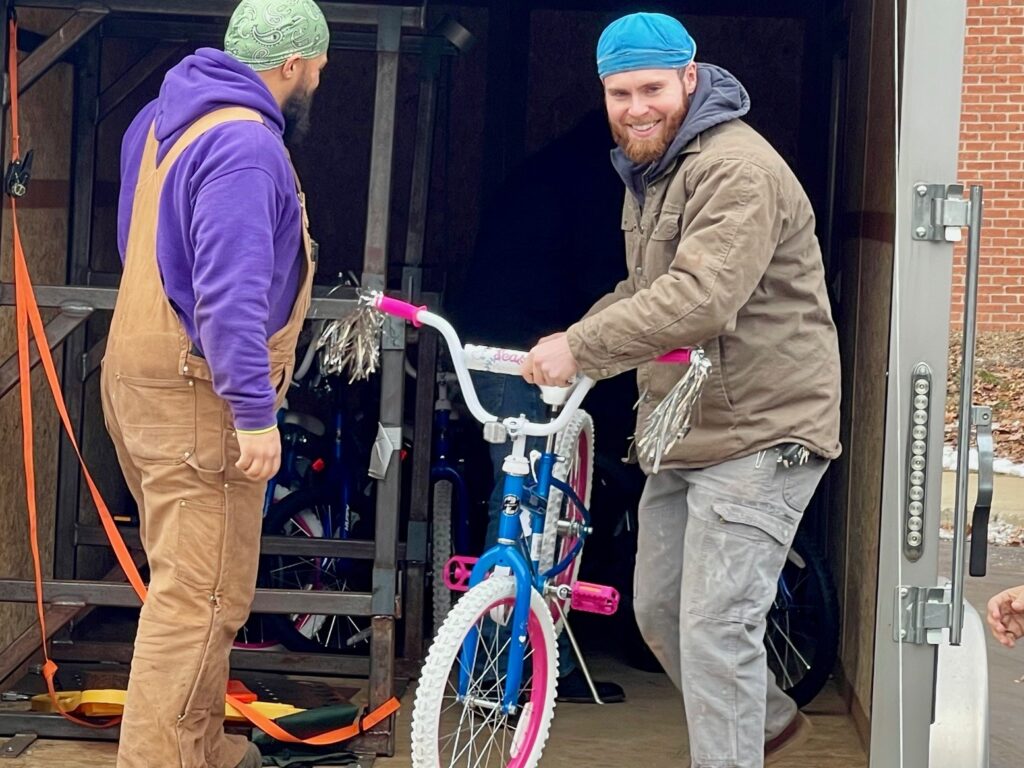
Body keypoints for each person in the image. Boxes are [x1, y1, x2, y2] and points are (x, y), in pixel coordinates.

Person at [522, 12, 841, 767]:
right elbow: (646, 287)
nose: (637, 106)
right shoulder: (659, 167)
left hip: (763, 428)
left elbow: (701, 299)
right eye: (620, 91)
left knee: (715, 627)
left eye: (653, 88)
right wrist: (565, 344)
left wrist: (582, 347)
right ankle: (764, 723)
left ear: (691, 79)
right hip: (688, 424)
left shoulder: (737, 169)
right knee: (662, 611)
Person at [100, 2, 328, 766]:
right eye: (318, 71)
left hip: (140, 375)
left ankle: (200, 751)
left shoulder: (162, 122)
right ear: (292, 66)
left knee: (202, 592)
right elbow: (227, 290)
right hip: (200, 395)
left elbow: (144, 243)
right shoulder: (246, 145)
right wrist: (255, 413)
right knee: (196, 605)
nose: (318, 85)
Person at [452, 110, 629, 703]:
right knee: (528, 511)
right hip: (524, 351)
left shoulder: (555, 166)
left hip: (509, 342)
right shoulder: (593, 175)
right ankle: (507, 672)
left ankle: (519, 667)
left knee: (525, 506)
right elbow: (599, 272)